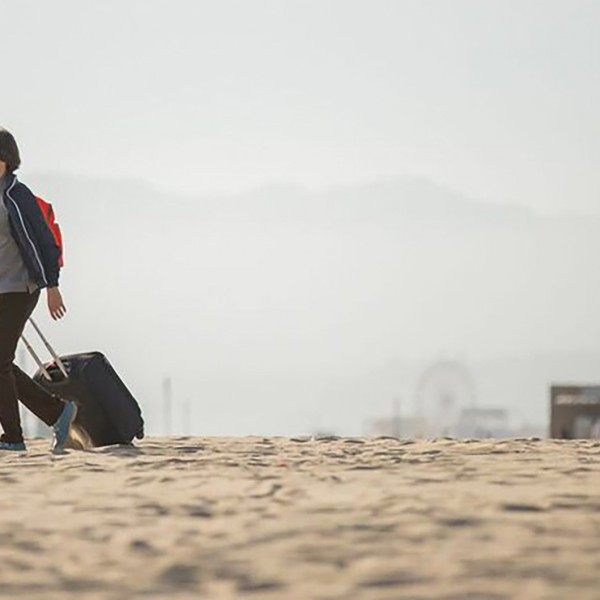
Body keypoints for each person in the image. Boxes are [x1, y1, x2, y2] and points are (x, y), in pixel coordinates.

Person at [0, 127, 76, 452]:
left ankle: (13, 438)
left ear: (6, 159)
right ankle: (57, 412)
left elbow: (43, 241)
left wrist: (52, 285)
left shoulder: (18, 196)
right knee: (1, 362)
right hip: (1, 289)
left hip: (21, 288)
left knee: (0, 363)